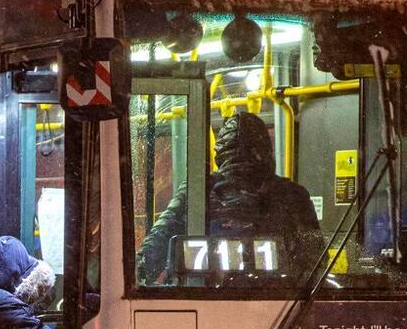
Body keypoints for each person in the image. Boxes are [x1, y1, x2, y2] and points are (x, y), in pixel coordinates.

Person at [137, 113, 322, 283]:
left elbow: (156, 245)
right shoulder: (293, 194)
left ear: (221, 151)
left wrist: (141, 275)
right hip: (279, 304)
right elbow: (315, 261)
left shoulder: (198, 189)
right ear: (266, 150)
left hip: (203, 303)